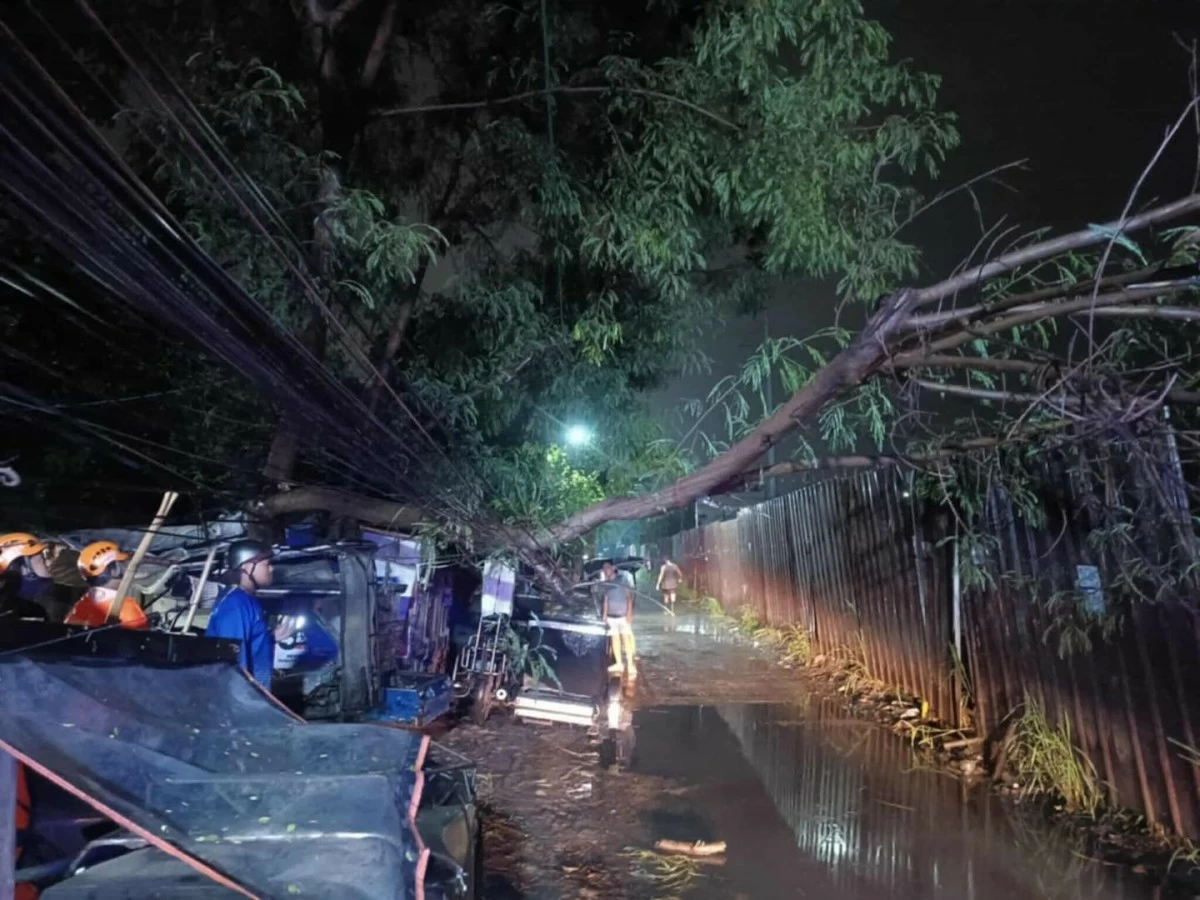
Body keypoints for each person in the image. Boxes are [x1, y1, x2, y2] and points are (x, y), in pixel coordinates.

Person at [205, 539, 293, 688]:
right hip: (243, 697)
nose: (271, 569)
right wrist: (244, 699)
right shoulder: (235, 605)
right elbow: (233, 664)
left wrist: (270, 638)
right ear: (247, 566)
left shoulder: (244, 600)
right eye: (266, 564)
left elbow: (248, 643)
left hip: (254, 694)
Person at [65, 541, 149, 629]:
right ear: (114, 571)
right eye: (122, 563)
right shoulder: (127, 608)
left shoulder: (79, 608)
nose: (126, 568)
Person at [0, 532, 78, 621]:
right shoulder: (34, 611)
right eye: (45, 555)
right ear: (22, 568)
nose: (50, 562)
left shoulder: (36, 610)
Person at [600, 560, 636, 679]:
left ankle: (630, 664)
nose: (606, 570)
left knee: (626, 639)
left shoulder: (622, 581)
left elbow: (629, 598)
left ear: (613, 568)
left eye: (607, 567)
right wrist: (604, 615)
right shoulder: (605, 584)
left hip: (623, 615)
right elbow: (605, 600)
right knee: (615, 639)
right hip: (611, 616)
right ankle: (619, 663)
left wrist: (629, 613)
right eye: (604, 569)